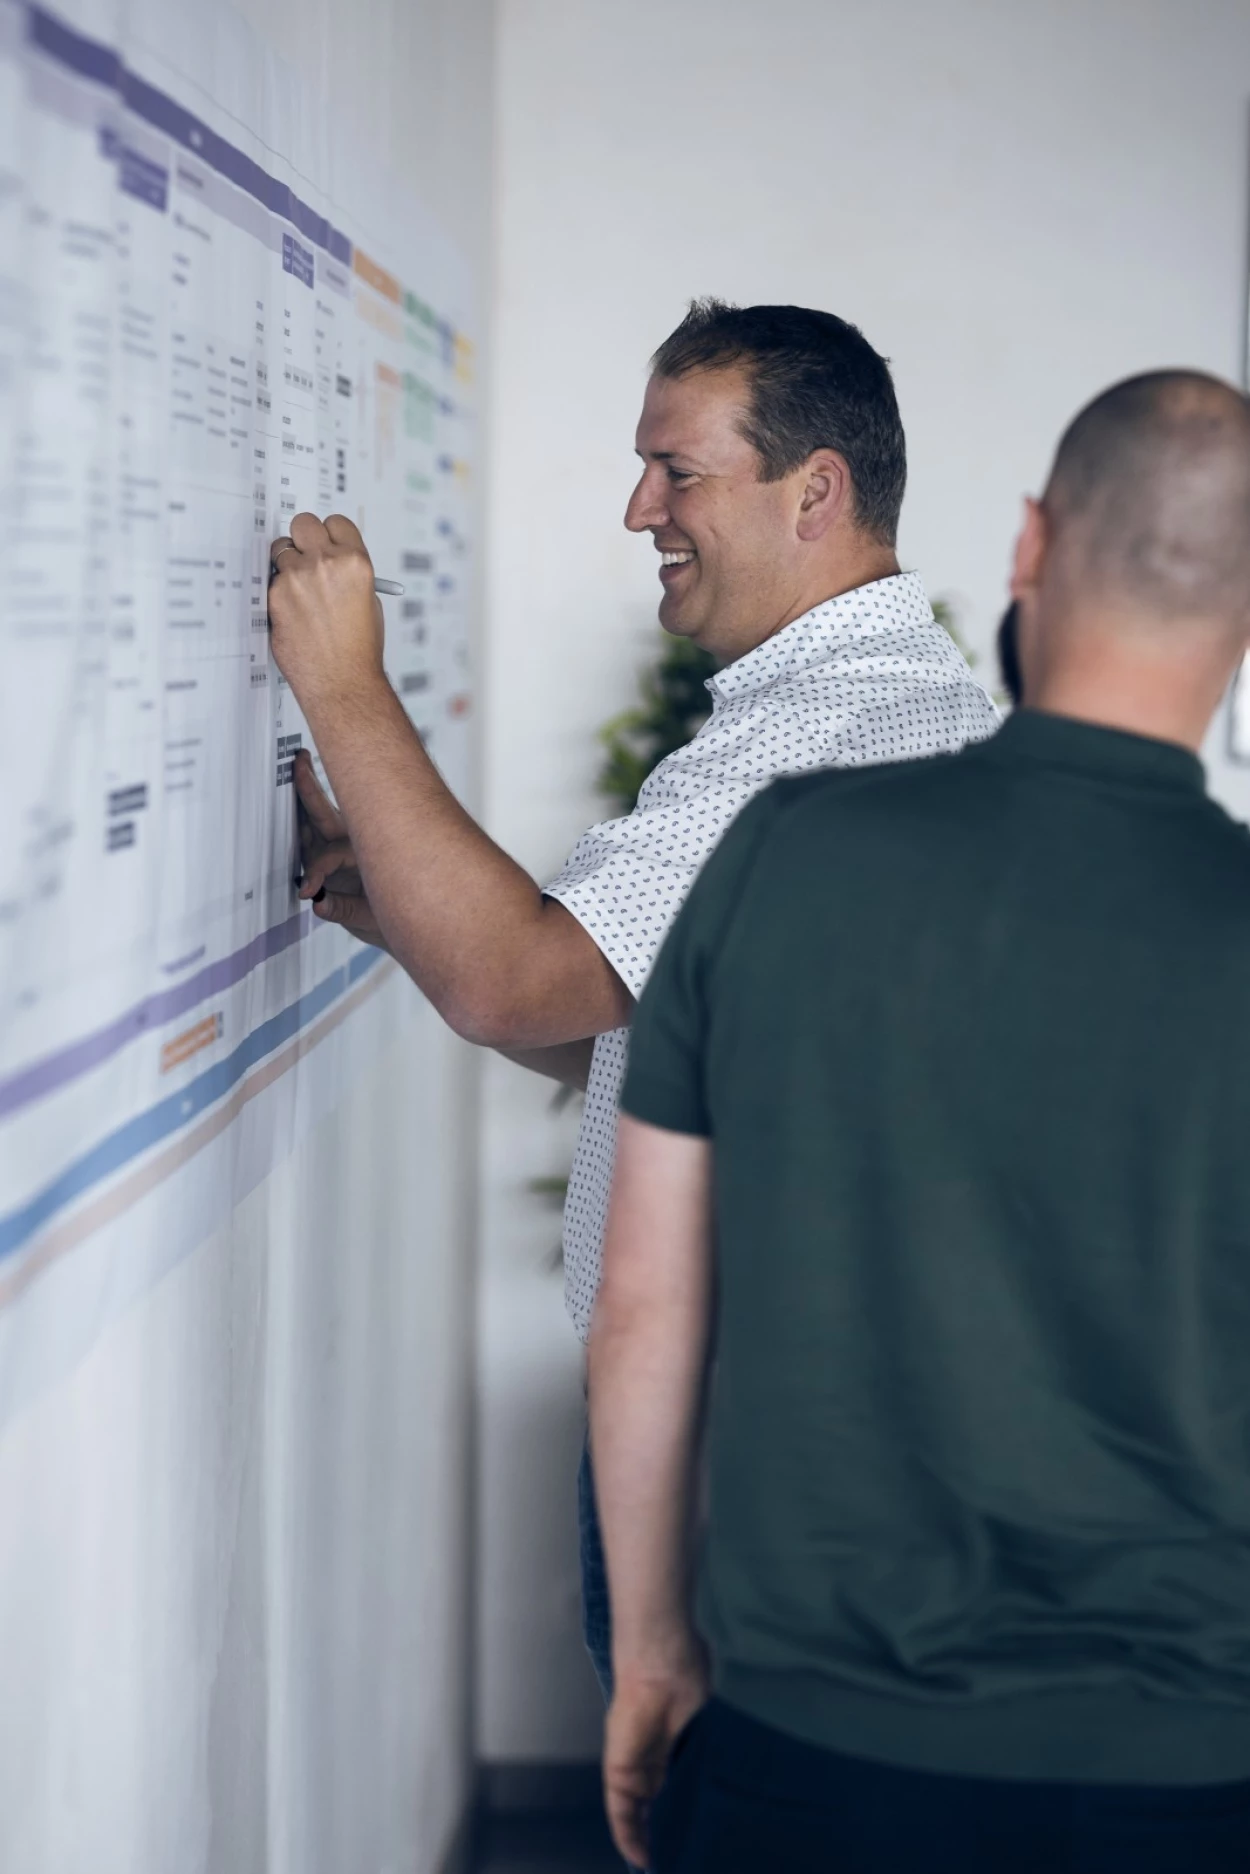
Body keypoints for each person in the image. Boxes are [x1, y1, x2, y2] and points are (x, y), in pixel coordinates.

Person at [266, 299, 998, 1695]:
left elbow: (514, 981)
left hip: (751, 1450)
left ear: (815, 492)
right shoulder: (915, 702)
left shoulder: (819, 730)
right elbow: (670, 1045)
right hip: (812, 1442)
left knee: (712, 1792)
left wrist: (343, 685)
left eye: (679, 471)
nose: (638, 509)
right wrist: (408, 914)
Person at [588, 368, 1250, 1872]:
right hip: (1194, 1772)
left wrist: (652, 1654)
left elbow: (646, 1309)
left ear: (1030, 542)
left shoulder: (785, 853)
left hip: (817, 1748)